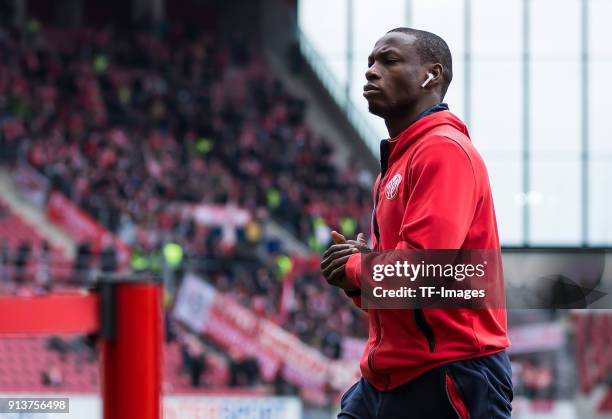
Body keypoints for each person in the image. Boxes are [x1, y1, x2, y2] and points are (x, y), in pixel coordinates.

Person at [321, 28, 512, 418]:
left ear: (432, 75)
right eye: (370, 62)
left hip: (451, 370)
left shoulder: (443, 150)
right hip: (389, 377)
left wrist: (358, 266)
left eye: (388, 61)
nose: (371, 71)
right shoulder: (394, 168)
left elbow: (428, 266)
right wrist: (356, 283)